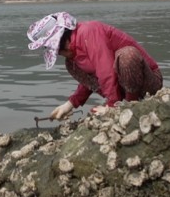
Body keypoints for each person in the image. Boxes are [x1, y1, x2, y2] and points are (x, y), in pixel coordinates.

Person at [27, 12, 163, 120]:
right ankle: (120, 102)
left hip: (147, 82)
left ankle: (128, 103)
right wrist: (70, 104)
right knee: (71, 65)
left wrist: (111, 106)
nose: (59, 54)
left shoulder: (89, 32)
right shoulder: (73, 56)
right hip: (122, 87)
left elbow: (106, 70)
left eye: (58, 50)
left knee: (127, 55)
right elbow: (91, 79)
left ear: (64, 41)